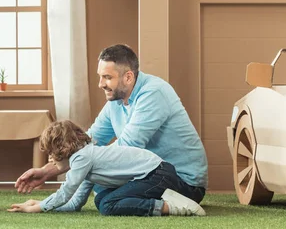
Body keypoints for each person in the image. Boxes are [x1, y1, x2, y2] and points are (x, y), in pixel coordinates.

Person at [15, 44, 208, 212]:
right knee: (101, 197)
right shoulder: (116, 101)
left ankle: (176, 206)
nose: (101, 84)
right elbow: (85, 142)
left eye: (107, 77)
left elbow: (127, 146)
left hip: (181, 181)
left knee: (108, 200)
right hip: (147, 175)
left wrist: (76, 167)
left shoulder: (154, 93)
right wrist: (48, 171)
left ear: (128, 77)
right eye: (100, 77)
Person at [8, 120, 205, 216]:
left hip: (157, 174)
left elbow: (65, 192)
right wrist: (40, 202)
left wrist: (38, 208)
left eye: (51, 152)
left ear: (60, 149)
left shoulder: (82, 158)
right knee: (102, 199)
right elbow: (75, 202)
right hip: (156, 173)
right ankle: (166, 200)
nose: (50, 158)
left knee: (108, 205)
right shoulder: (85, 158)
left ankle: (173, 207)